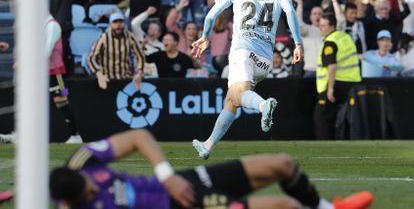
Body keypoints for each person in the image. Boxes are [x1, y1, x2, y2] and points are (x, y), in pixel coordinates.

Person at [49, 129, 374, 209]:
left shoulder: (82, 162)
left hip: (181, 182)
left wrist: (167, 176)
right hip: (188, 205)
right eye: (91, 194)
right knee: (285, 206)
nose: (96, 188)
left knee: (282, 163)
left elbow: (137, 137)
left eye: (91, 184)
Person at [191, 0, 303, 159]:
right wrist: (297, 44)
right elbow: (291, 16)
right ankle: (208, 145)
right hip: (265, 60)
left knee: (238, 94)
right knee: (232, 100)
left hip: (242, 51)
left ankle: (263, 105)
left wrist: (205, 37)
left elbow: (210, 17)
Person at [314, 13, 361, 140]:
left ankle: (324, 146)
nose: (321, 28)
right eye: (320, 25)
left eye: (323, 26)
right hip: (352, 83)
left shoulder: (330, 42)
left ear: (332, 26)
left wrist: (330, 89)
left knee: (322, 116)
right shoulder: (345, 37)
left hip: (334, 83)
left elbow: (332, 67)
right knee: (344, 116)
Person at [46, 16, 82, 143]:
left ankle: (76, 135)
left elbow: (47, 50)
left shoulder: (52, 26)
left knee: (63, 103)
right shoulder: (42, 26)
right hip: (42, 72)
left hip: (56, 73)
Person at [87, 12, 145, 90]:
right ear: (110, 24)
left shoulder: (130, 36)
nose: (118, 24)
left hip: (125, 79)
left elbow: (140, 56)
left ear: (124, 23)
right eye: (115, 22)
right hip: (107, 80)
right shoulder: (104, 38)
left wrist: (139, 73)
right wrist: (99, 74)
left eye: (120, 22)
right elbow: (91, 58)